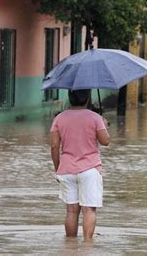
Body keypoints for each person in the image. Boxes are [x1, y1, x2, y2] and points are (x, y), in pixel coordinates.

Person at [50, 89, 110, 241]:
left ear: (70, 98)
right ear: (88, 98)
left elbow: (54, 147)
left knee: (71, 211)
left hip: (66, 170)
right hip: (90, 170)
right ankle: (87, 246)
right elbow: (105, 141)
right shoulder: (95, 118)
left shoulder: (59, 118)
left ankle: (70, 246)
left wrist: (58, 170)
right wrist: (104, 125)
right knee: (89, 209)